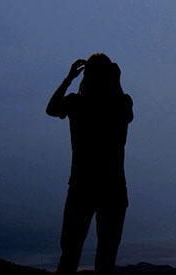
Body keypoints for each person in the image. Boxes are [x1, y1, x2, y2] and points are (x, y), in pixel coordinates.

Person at [46, 53, 133, 275]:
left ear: (86, 75)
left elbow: (51, 108)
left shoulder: (77, 102)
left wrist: (68, 78)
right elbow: (125, 113)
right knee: (107, 259)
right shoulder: (122, 103)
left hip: (81, 186)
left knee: (70, 254)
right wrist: (117, 80)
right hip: (113, 188)